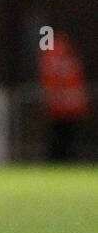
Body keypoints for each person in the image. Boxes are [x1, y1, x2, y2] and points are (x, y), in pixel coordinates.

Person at [38, 30, 89, 161]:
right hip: (68, 106)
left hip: (62, 106)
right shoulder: (66, 58)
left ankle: (61, 160)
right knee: (64, 138)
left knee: (62, 138)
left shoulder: (54, 57)